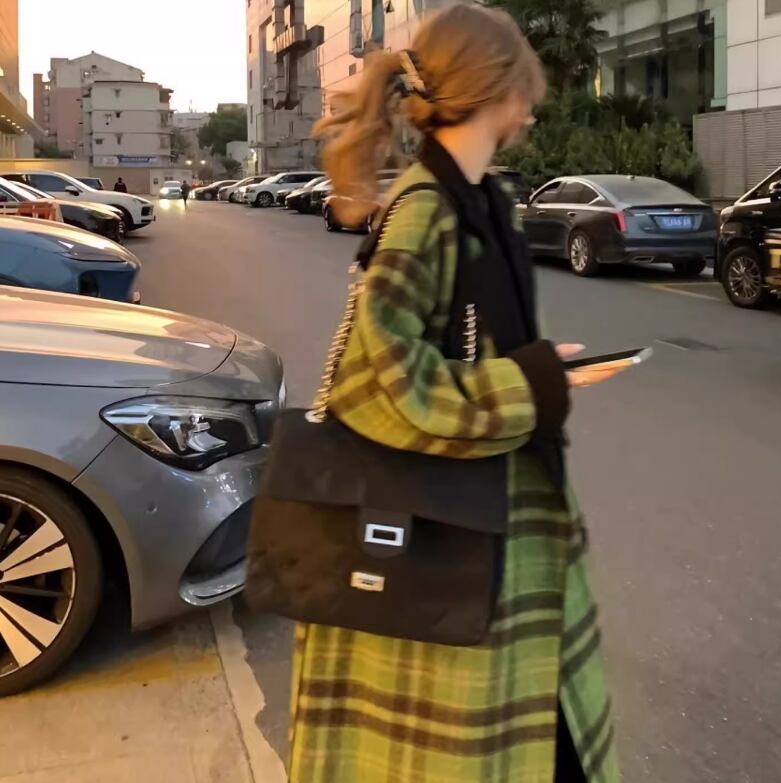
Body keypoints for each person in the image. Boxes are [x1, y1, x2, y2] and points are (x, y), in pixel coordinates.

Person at [288, 5, 623, 783]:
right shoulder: (425, 210)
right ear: (495, 89)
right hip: (448, 539)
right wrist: (527, 385)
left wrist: (544, 373)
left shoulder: (480, 200)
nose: (531, 107)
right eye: (525, 86)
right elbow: (375, 383)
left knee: (542, 737)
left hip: (490, 520)